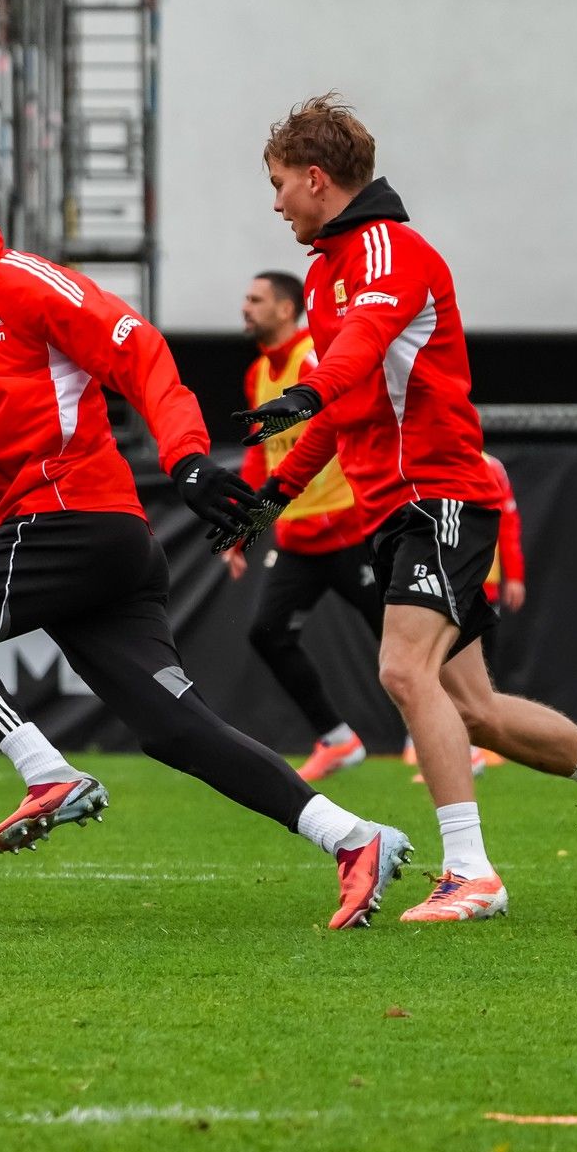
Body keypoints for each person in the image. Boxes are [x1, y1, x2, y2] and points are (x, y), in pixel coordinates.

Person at [0, 142, 414, 929]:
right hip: (90, 544)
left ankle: (47, 772)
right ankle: (355, 837)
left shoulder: (26, 283)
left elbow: (143, 353)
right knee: (175, 728)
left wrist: (184, 461)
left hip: (72, 520)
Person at [234, 95, 577, 923]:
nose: (274, 202)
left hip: (440, 493)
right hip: (399, 505)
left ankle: (471, 871)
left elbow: (356, 359)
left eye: (278, 183)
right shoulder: (334, 268)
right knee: (473, 707)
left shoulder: (388, 252)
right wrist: (272, 495)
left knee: (404, 670)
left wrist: (305, 389)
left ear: (316, 178)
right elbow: (345, 405)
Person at [220, 269, 381, 782]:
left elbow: (348, 423)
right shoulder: (258, 374)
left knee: (404, 646)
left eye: (255, 299)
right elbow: (261, 459)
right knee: (266, 635)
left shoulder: (316, 356)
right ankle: (337, 739)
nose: (244, 307)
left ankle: (464, 737)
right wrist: (244, 526)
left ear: (287, 309)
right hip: (298, 540)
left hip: (352, 532)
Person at [404, 449, 523, 782]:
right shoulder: (424, 460)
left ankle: (466, 749)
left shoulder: (488, 466)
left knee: (458, 670)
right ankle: (449, 747)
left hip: (478, 579)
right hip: (443, 577)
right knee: (433, 666)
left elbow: (507, 521)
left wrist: (513, 574)